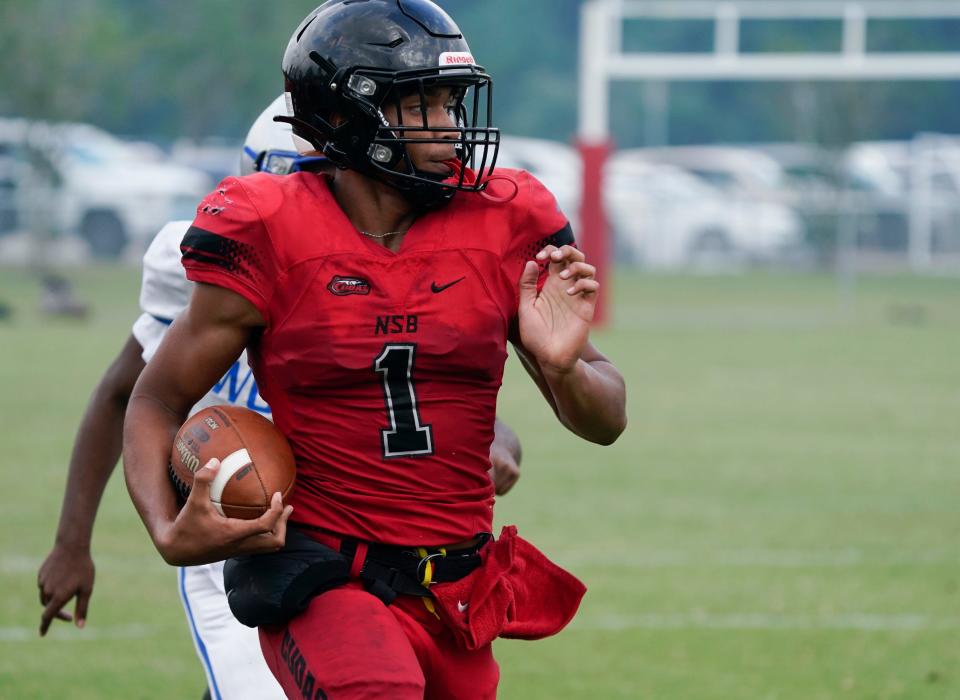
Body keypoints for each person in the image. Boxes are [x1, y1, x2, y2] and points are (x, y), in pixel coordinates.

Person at [123, 1, 626, 698]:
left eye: (453, 101)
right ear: (345, 114)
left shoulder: (505, 222)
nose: (451, 126)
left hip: (455, 589)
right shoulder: (270, 230)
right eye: (423, 104)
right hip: (329, 575)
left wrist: (565, 366)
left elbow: (606, 421)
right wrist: (167, 528)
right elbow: (156, 395)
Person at [37, 94, 524, 699]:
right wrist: (71, 543)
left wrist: (498, 436)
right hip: (231, 536)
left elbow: (412, 381)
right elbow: (128, 394)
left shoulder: (385, 254)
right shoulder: (216, 249)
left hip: (359, 537)